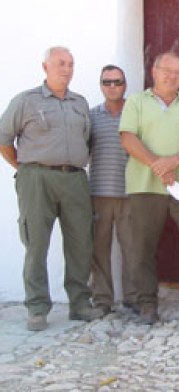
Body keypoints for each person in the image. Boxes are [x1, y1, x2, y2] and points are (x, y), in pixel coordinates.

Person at [0, 46, 104, 331]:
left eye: (71, 64)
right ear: (45, 66)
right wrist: (24, 170)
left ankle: (80, 304)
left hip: (74, 179)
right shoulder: (26, 101)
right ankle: (37, 307)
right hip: (37, 178)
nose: (67, 69)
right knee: (36, 244)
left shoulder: (79, 103)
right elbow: (4, 139)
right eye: (60, 63)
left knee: (81, 243)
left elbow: (88, 141)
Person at [119, 51, 179, 324]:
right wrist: (157, 165)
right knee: (142, 247)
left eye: (178, 73)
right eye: (167, 71)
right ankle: (147, 304)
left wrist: (177, 160)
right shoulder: (137, 103)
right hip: (144, 187)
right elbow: (128, 138)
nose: (172, 77)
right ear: (154, 71)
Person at [89, 65, 136, 315]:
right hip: (99, 193)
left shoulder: (136, 113)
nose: (112, 87)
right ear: (101, 85)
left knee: (132, 249)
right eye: (107, 82)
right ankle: (102, 300)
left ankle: (132, 298)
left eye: (117, 82)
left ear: (125, 85)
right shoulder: (91, 116)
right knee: (99, 249)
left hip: (129, 193)